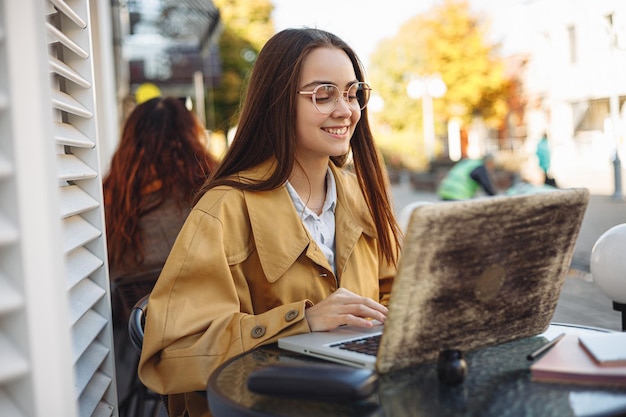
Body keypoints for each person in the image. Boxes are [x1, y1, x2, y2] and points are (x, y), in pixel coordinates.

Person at [138, 28, 402, 417]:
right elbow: (175, 350)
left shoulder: (364, 196)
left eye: (352, 93)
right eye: (322, 95)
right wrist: (304, 321)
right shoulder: (223, 210)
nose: (345, 110)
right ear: (277, 102)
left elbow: (396, 293)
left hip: (361, 400)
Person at [104, 96, 218, 320]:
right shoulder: (212, 189)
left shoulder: (111, 200)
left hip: (141, 334)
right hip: (214, 325)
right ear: (190, 135)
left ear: (129, 142)